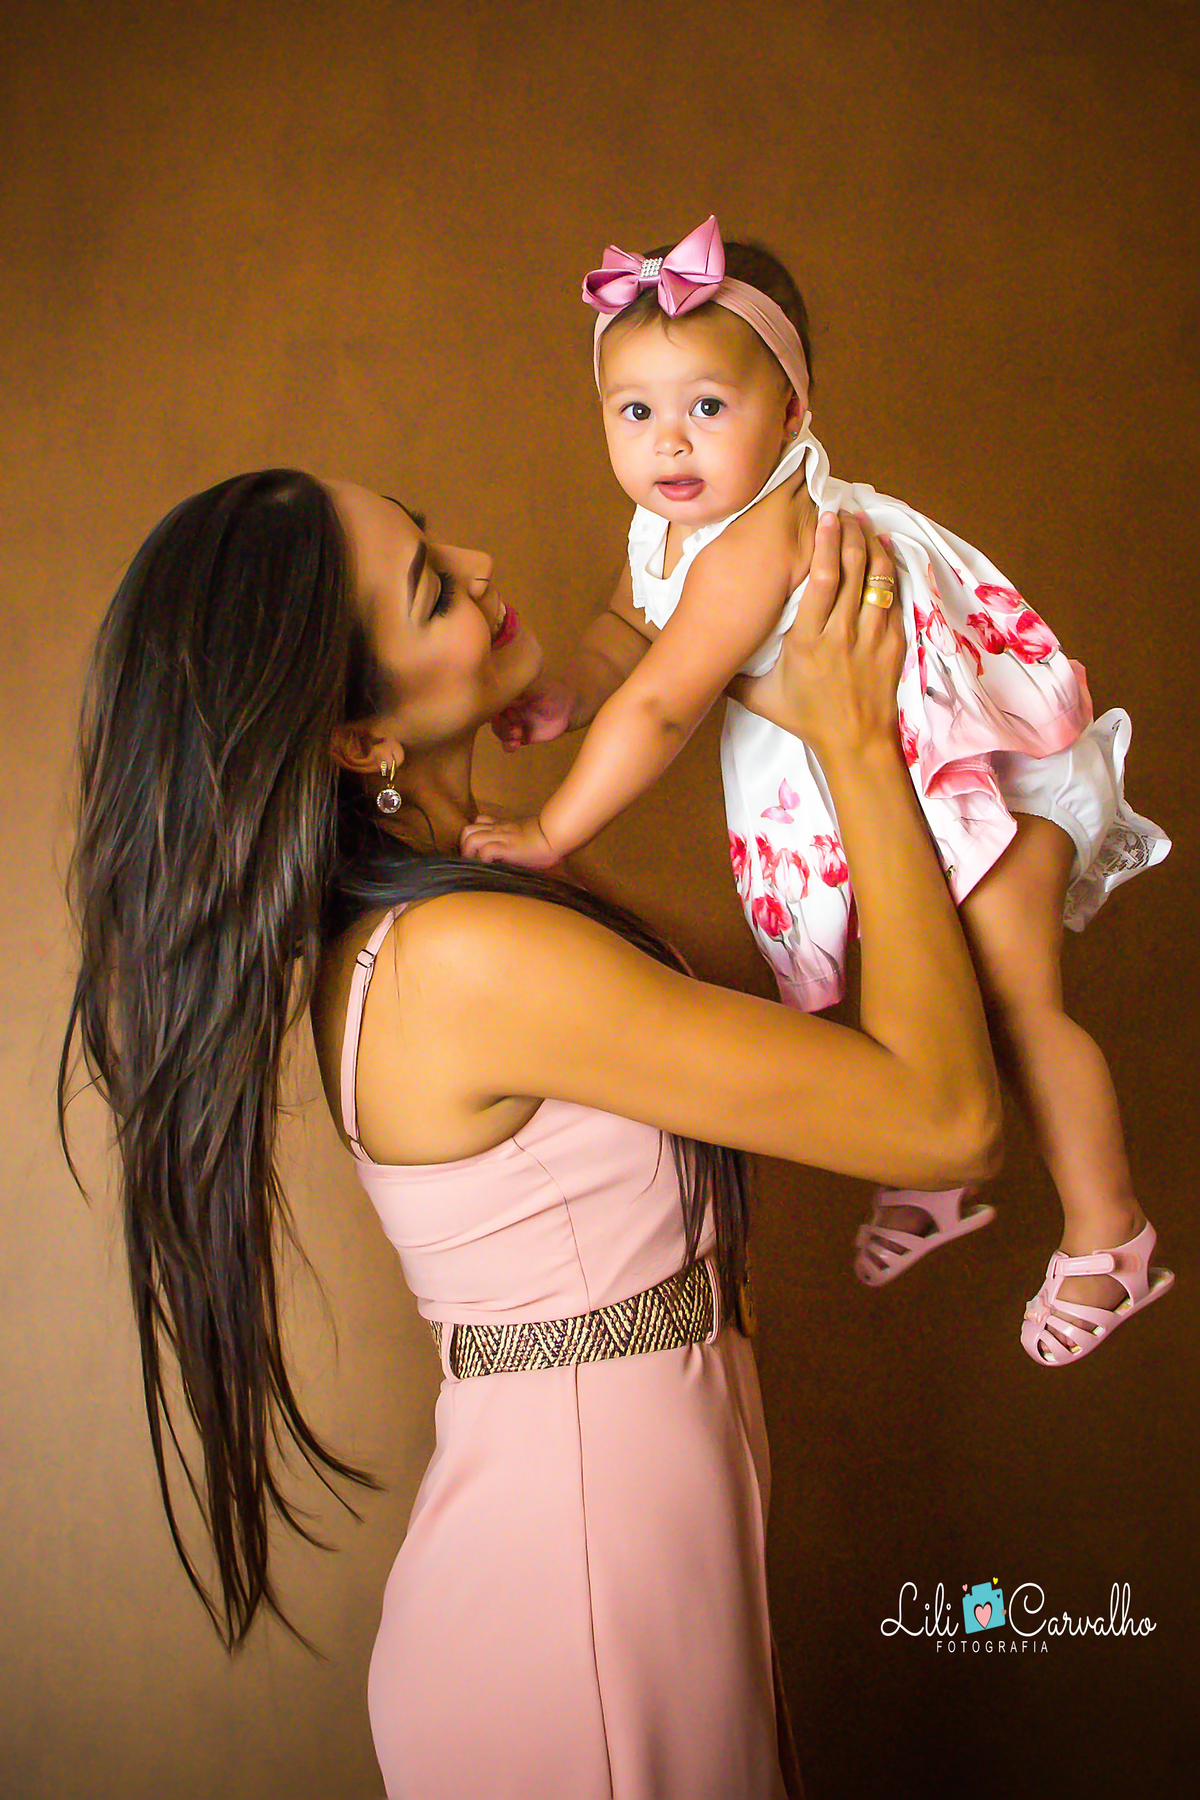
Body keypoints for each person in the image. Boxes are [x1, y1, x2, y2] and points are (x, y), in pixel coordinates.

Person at [59, 469, 1001, 1798]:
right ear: (358, 743)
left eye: (437, 528)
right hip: (576, 1622)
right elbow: (942, 1120)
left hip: (623, 1565)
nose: (488, 559)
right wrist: (853, 744)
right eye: (436, 587)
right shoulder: (462, 960)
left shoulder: (480, 902)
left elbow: (801, 1034)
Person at [462, 215, 1174, 1368]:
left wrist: (552, 827)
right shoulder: (675, 523)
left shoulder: (764, 536)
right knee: (910, 986)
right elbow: (626, 634)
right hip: (906, 793)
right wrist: (571, 695)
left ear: (792, 415)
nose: (669, 442)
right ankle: (928, 1184)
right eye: (635, 411)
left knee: (1015, 1001)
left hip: (985, 773)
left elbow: (666, 704)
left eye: (709, 406)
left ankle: (1110, 1232)